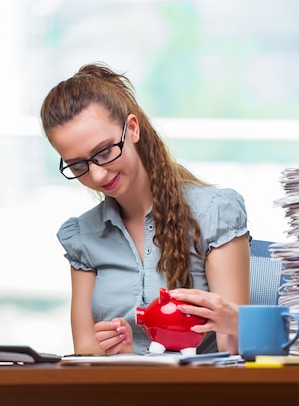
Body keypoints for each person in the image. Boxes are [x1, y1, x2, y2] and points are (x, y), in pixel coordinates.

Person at [40, 63, 251, 356]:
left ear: (133, 129)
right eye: (78, 165)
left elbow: (233, 350)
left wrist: (237, 322)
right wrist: (119, 353)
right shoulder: (83, 237)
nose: (98, 176)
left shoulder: (214, 213)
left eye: (104, 152)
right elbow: (86, 355)